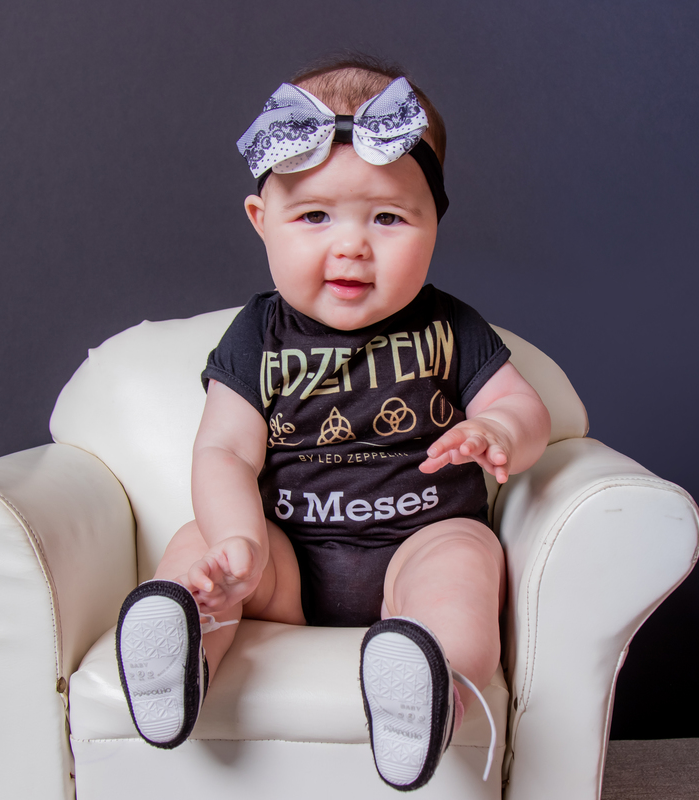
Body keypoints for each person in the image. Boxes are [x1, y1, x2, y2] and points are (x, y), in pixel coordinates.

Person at [115, 54, 550, 791]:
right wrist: (238, 541)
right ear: (263, 223)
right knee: (199, 549)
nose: (351, 245)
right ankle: (180, 654)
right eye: (314, 215)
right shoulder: (257, 336)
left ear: (433, 224)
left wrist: (501, 431)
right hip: (282, 563)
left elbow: (523, 408)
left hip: (416, 545)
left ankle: (426, 687)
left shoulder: (451, 326)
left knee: (466, 555)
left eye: (388, 217)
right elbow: (223, 451)